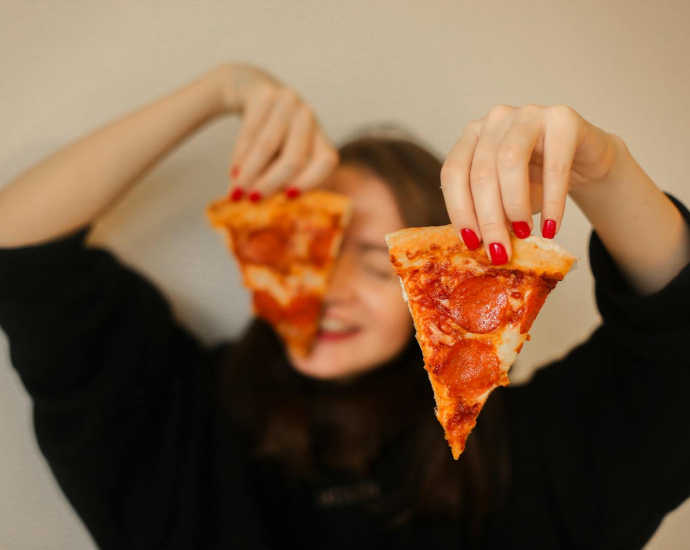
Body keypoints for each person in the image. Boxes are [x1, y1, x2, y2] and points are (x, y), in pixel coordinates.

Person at [0, 63, 689, 550]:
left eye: (375, 263)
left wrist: (603, 169)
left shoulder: (525, 455)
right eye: (308, 249)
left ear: (441, 294)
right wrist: (222, 88)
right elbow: (18, 252)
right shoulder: (177, 422)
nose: (329, 287)